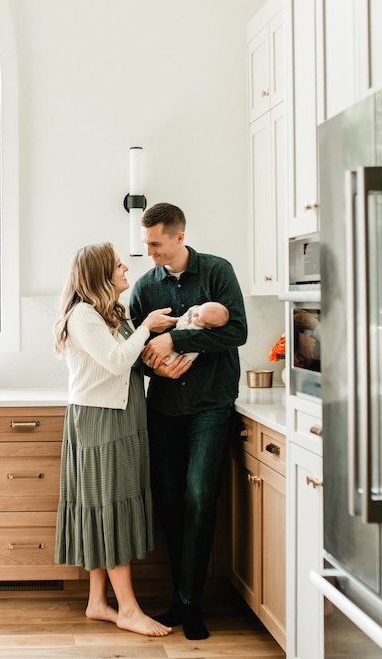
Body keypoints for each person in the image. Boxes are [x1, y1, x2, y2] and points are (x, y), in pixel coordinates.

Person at [128, 203, 247, 641]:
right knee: (171, 500)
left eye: (156, 244)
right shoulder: (143, 287)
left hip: (211, 406)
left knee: (200, 497)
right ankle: (180, 598)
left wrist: (177, 336)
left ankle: (192, 604)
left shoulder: (217, 272)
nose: (150, 252)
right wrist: (156, 367)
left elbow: (237, 332)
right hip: (162, 409)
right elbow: (135, 354)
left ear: (179, 236)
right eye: (146, 245)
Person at [52, 242, 179, 637]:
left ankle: (97, 602)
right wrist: (147, 328)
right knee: (109, 508)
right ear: (99, 275)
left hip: (119, 418)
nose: (126, 267)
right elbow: (117, 361)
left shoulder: (109, 314)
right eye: (117, 264)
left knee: (103, 506)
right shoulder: (84, 316)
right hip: (100, 422)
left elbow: (130, 361)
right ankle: (127, 609)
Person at [144, 301, 230, 367]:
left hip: (181, 357)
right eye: (199, 308)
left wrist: (183, 317)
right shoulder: (201, 321)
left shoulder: (196, 328)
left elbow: (180, 329)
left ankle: (150, 361)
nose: (195, 313)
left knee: (169, 359)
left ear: (207, 326)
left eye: (199, 317)